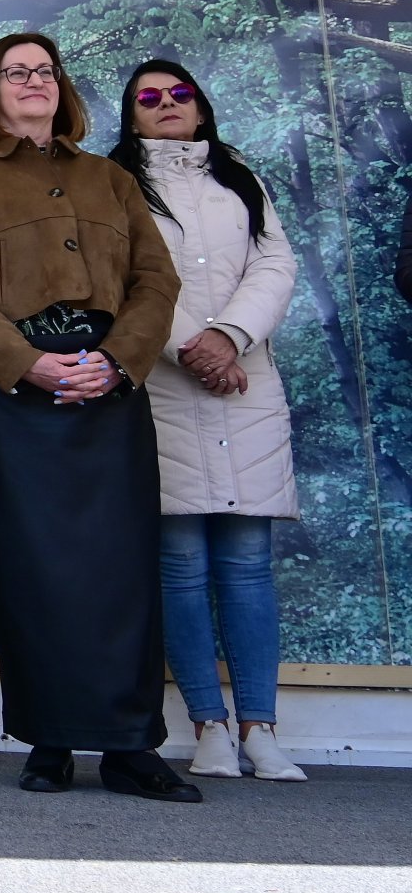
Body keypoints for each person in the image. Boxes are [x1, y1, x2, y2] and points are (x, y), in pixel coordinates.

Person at [0, 32, 197, 802]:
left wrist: (119, 360)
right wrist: (25, 363)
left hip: (108, 387)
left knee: (122, 570)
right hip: (13, 395)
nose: (34, 81)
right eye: (16, 72)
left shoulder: (110, 179)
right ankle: (50, 740)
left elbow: (154, 280)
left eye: (44, 71)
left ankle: (133, 747)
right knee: (32, 566)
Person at [110, 60, 308, 782]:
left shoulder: (241, 177)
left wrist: (230, 338)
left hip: (246, 384)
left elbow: (275, 266)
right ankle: (208, 727)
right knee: (182, 566)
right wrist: (192, 346)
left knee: (249, 565)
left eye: (179, 94)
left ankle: (261, 727)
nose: (166, 105)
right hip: (162, 389)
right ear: (132, 116)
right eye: (149, 98)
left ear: (201, 106)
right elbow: (126, 279)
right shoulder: (118, 183)